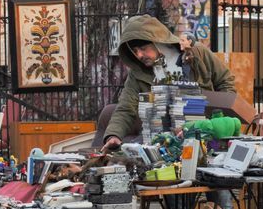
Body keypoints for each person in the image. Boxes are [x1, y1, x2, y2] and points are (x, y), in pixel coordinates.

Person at [97, 14, 236, 150]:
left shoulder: (196, 53)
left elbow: (225, 82)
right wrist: (113, 135)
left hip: (204, 134)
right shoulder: (137, 73)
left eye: (143, 48)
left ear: (158, 41)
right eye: (134, 51)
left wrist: (219, 122)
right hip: (164, 143)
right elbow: (126, 107)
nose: (139, 55)